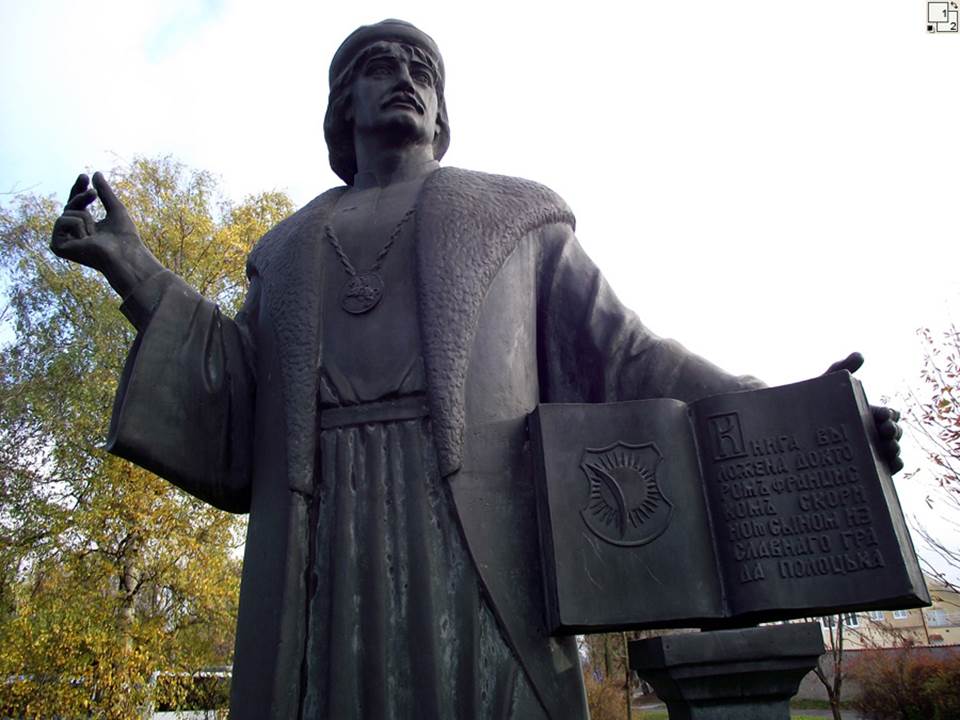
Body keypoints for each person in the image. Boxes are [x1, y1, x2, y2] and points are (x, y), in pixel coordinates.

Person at [50, 19, 902, 720]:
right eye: (379, 67)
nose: (405, 77)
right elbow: (238, 395)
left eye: (422, 69)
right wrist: (136, 270)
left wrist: (788, 408)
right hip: (323, 541)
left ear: (442, 108)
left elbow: (627, 355)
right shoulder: (286, 251)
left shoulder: (514, 218)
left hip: (478, 536)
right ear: (342, 104)